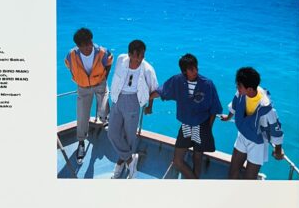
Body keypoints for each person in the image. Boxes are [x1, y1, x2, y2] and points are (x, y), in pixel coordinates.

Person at [149, 53, 222, 179]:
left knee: (197, 158)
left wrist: (208, 129)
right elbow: (162, 91)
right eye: (191, 69)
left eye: (196, 68)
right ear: (184, 71)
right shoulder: (177, 80)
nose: (195, 71)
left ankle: (193, 184)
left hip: (202, 126)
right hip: (186, 125)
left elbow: (214, 109)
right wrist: (147, 100)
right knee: (177, 161)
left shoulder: (207, 84)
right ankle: (195, 183)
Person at [220, 67, 284, 179]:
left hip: (257, 143)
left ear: (249, 89)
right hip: (242, 136)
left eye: (239, 86)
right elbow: (234, 105)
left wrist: (278, 151)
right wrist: (228, 117)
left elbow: (276, 130)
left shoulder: (267, 108)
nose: (237, 88)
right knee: (232, 173)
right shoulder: (241, 93)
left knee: (249, 179)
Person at [108, 40, 158, 179]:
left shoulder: (147, 69)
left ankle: (120, 162)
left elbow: (153, 89)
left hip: (133, 101)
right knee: (112, 133)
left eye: (141, 56)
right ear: (129, 54)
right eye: (136, 56)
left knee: (129, 137)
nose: (138, 60)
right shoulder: (120, 59)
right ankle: (130, 160)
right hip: (117, 98)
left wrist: (149, 106)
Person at [65, 28, 113, 164]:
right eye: (84, 45)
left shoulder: (103, 52)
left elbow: (109, 63)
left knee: (103, 105)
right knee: (82, 115)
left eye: (89, 43)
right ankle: (81, 142)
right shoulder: (71, 55)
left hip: (100, 83)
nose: (88, 47)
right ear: (78, 46)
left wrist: (104, 78)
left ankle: (105, 119)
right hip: (83, 88)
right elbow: (68, 65)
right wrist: (80, 78)